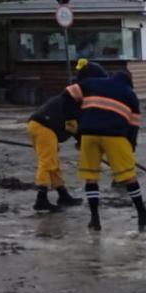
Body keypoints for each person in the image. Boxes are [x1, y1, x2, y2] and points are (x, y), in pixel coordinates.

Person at [76, 64, 146, 231]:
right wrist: (131, 146)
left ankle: (95, 219)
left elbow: (71, 96)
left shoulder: (95, 84)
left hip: (89, 134)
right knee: (129, 176)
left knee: (91, 176)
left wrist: (78, 133)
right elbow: (133, 125)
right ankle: (142, 213)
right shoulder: (129, 94)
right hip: (114, 135)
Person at [26, 67, 88, 213]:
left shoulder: (68, 100)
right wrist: (81, 141)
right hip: (44, 127)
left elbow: (72, 126)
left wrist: (80, 140)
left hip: (40, 127)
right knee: (47, 162)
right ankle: (41, 199)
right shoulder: (73, 104)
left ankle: (63, 195)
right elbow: (73, 126)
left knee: (53, 163)